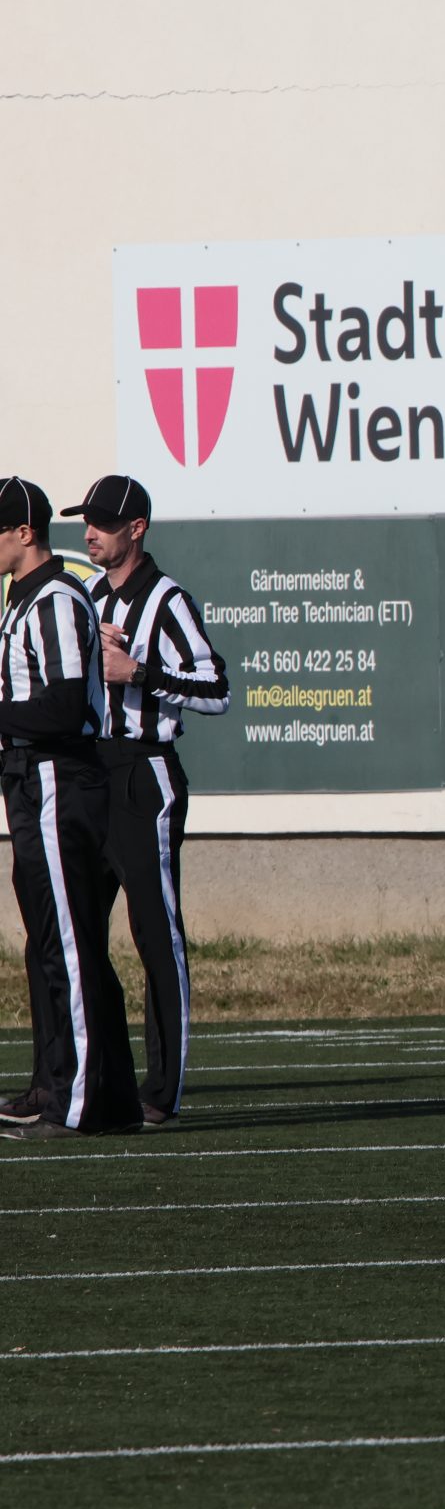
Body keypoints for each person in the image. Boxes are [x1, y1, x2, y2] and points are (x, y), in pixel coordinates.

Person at [68, 475, 227, 1126]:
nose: (90, 533)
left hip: (145, 773)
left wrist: (137, 672)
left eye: (105, 523)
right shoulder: (85, 595)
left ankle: (161, 1090)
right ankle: (98, 1077)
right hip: (91, 773)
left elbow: (216, 688)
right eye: (88, 521)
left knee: (154, 932)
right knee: (77, 930)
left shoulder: (167, 600)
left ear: (137, 529)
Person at [0, 478, 140, 1140]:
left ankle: (78, 1103)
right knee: (48, 944)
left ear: (24, 533)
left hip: (59, 778)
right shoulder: (24, 598)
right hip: (31, 780)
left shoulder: (56, 597)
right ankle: (63, 1084)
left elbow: (62, 707)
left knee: (71, 948)